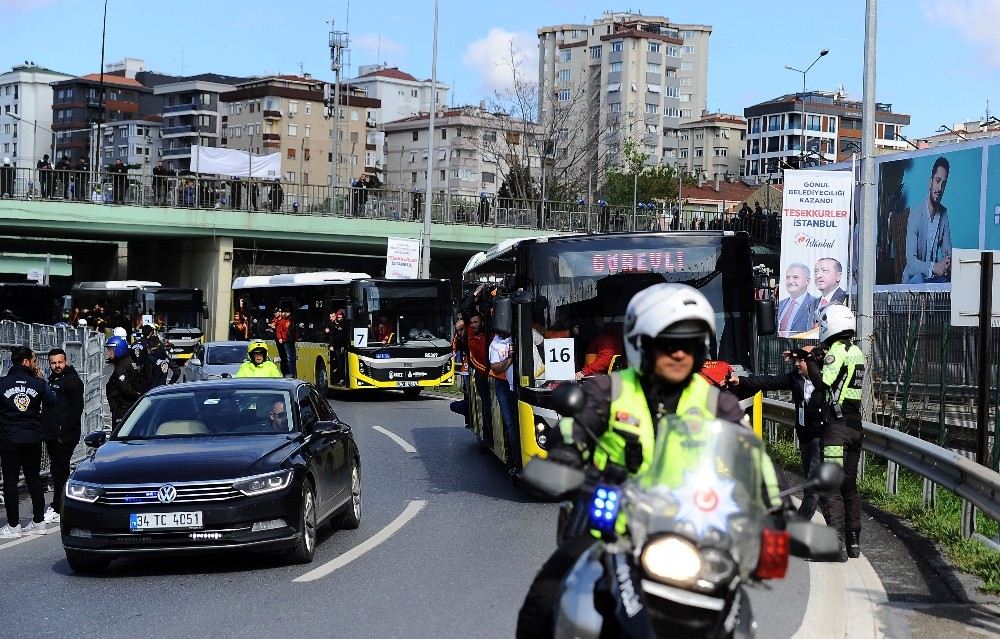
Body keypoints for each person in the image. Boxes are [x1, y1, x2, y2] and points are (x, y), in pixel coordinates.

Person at [516, 284, 761, 638]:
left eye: (689, 344)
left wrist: (777, 506)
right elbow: (570, 433)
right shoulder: (607, 390)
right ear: (640, 343)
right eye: (668, 344)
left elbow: (751, 459)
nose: (679, 354)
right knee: (545, 595)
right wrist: (564, 461)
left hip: (689, 530)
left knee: (736, 609)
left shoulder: (715, 403)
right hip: (609, 524)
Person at [727, 346, 824, 520]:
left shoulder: (826, 382)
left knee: (813, 485)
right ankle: (835, 529)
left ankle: (799, 524)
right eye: (796, 360)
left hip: (821, 438)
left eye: (800, 360)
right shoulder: (796, 379)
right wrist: (740, 381)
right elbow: (768, 382)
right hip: (805, 437)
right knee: (817, 485)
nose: (797, 364)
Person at [809, 304, 866, 561]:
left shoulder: (835, 352)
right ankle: (854, 541)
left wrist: (811, 361)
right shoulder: (857, 352)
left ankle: (836, 543)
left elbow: (823, 383)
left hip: (837, 428)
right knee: (849, 486)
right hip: (855, 426)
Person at [0, 346, 60, 538]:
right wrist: (40, 380)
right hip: (32, 437)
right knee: (33, 478)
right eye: (34, 360)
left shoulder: (2, 383)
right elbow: (52, 401)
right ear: (26, 362)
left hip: (9, 437)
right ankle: (38, 522)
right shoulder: (37, 383)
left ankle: (14, 525)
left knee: (10, 482)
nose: (36, 364)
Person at [43, 348, 84, 523]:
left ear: (65, 361)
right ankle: (60, 505)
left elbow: (76, 409)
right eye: (53, 363)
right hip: (53, 434)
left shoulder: (72, 381)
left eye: (60, 362)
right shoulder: (52, 379)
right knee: (57, 470)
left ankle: (59, 507)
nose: (57, 366)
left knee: (60, 471)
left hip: (64, 435)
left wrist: (64, 433)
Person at [903, 156, 952, 284]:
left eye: (944, 183)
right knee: (919, 278)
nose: (940, 188)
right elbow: (911, 262)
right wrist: (934, 267)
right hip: (915, 278)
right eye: (938, 180)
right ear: (930, 182)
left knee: (949, 283)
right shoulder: (915, 214)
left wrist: (947, 263)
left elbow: (948, 252)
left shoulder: (944, 214)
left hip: (932, 279)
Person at [489, 322, 519, 477]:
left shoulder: (521, 330)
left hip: (524, 383)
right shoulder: (495, 344)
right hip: (505, 385)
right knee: (511, 423)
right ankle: (514, 462)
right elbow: (496, 368)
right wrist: (509, 358)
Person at [105, 336, 144, 427]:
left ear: (118, 350)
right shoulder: (128, 361)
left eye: (110, 350)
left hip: (123, 407)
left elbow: (125, 387)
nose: (108, 353)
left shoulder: (121, 366)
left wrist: (136, 395)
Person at [777, 262, 819, 336]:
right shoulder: (780, 304)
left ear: (807, 281)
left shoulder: (817, 305)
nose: (790, 281)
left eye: (795, 277)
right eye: (788, 277)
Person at [325, 310, 347, 385]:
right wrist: (331, 345)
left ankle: (342, 378)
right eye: (339, 317)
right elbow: (331, 336)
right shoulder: (332, 325)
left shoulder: (344, 324)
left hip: (342, 346)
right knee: (337, 363)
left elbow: (345, 336)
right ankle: (338, 379)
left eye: (341, 317)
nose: (340, 318)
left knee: (341, 363)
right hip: (335, 347)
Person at [272, 310, 295, 377]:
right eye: (285, 312)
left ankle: (292, 371)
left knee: (292, 357)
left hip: (292, 340)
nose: (286, 313)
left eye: (288, 312)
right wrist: (280, 338)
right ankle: (290, 372)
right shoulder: (282, 321)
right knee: (289, 357)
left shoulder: (292, 320)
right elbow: (278, 331)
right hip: (286, 341)